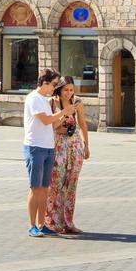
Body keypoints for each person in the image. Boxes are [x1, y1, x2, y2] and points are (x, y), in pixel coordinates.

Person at [23, 68, 64, 237]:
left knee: (45, 188)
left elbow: (51, 125)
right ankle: (32, 226)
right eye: (54, 84)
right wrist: (62, 112)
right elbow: (46, 120)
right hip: (35, 147)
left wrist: (64, 116)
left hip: (48, 147)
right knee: (36, 188)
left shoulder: (44, 100)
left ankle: (42, 224)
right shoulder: (33, 98)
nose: (55, 88)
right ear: (45, 83)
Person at [45, 77, 89, 234]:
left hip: (75, 146)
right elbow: (50, 125)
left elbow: (82, 124)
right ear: (59, 89)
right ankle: (52, 222)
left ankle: (68, 222)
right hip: (58, 147)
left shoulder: (77, 102)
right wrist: (64, 115)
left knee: (71, 185)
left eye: (71, 90)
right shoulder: (51, 103)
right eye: (66, 90)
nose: (69, 93)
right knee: (55, 184)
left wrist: (86, 145)